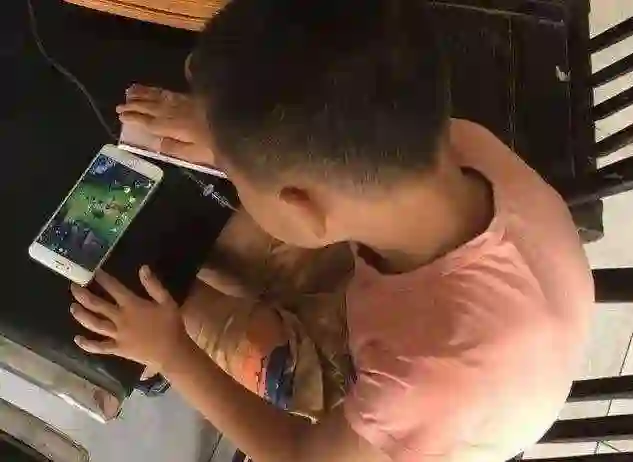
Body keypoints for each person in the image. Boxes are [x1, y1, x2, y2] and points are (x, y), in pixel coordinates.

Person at [69, 1, 595, 461]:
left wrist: (173, 353)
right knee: (193, 254)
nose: (225, 167)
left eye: (235, 169)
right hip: (437, 309)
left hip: (397, 401)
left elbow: (299, 455)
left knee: (172, 299)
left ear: (304, 206)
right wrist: (229, 131)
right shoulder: (460, 144)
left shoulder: (417, 382)